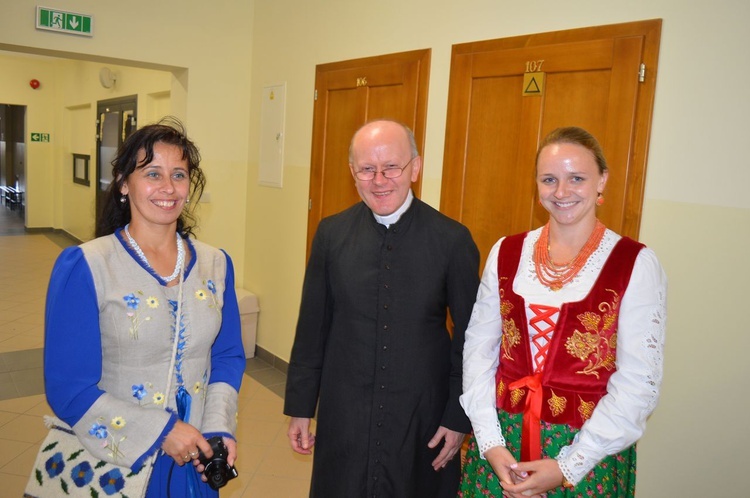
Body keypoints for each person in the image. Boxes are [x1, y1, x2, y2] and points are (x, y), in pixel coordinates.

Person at [458, 126, 667, 497]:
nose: (562, 192)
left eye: (577, 178)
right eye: (549, 179)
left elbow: (639, 383)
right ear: (537, 185)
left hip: (587, 450)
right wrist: (490, 442)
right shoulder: (506, 251)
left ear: (602, 180)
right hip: (501, 445)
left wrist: (568, 465)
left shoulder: (635, 263)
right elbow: (478, 351)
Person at [44, 118, 245, 497]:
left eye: (179, 175)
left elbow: (229, 355)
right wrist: (163, 432)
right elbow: (68, 388)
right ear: (123, 183)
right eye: (152, 173)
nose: (168, 188)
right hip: (119, 460)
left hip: (196, 459)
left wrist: (219, 426)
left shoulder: (215, 264)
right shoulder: (88, 266)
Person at [284, 119, 480, 497]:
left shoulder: (452, 240)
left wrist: (458, 417)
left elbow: (472, 340)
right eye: (366, 169)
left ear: (415, 168)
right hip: (346, 411)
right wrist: (301, 407)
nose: (379, 180)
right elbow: (312, 328)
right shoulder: (331, 234)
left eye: (391, 167)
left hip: (422, 414)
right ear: (352, 173)